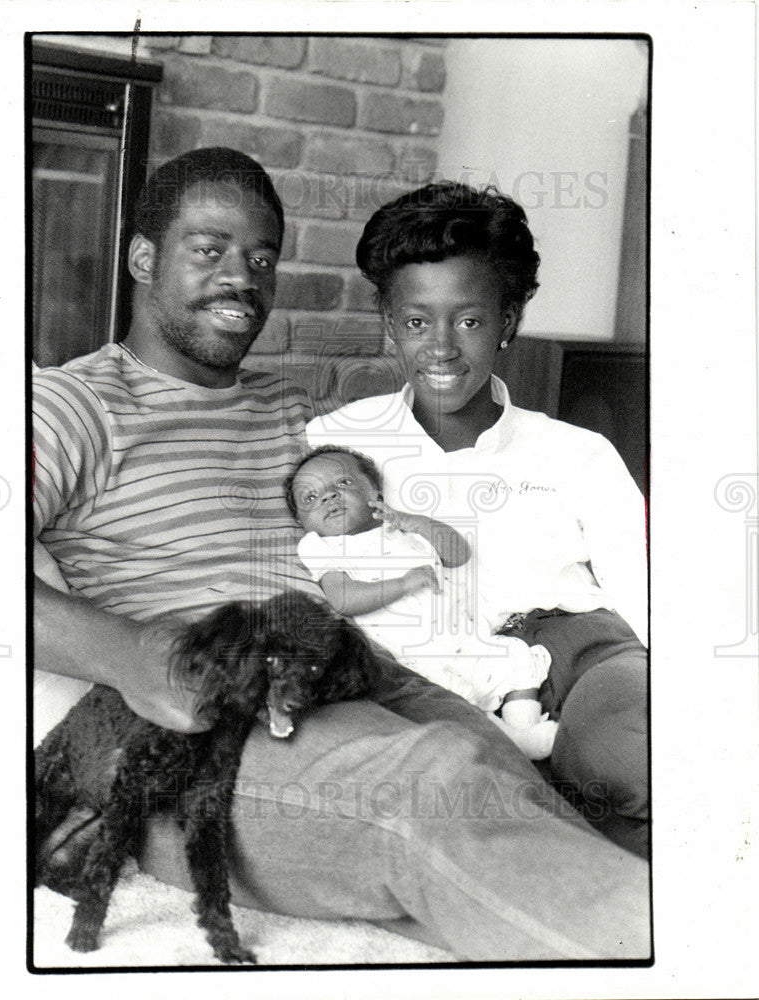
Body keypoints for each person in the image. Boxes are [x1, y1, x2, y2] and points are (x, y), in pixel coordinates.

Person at [34, 147, 650, 962]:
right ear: (142, 258)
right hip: (209, 708)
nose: (242, 277)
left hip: (351, 669)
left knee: (508, 786)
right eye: (210, 248)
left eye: (261, 258)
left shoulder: (291, 411)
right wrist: (138, 654)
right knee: (434, 791)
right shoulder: (71, 402)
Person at [306, 180, 649, 860]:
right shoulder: (336, 445)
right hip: (426, 661)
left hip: (580, 651)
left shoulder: (576, 453)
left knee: (624, 760)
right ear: (388, 321)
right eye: (416, 321)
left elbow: (643, 596)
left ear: (509, 319)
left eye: (468, 320)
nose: (441, 347)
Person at [285, 445, 558, 759]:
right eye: (310, 497)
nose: (328, 497)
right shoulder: (324, 547)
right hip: (414, 656)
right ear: (302, 523)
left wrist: (413, 522)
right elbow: (344, 598)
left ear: (374, 491)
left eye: (342, 484)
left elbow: (459, 554)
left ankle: (523, 723)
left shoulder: (404, 528)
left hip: (465, 639)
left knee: (515, 659)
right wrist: (403, 583)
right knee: (448, 702)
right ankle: (513, 743)